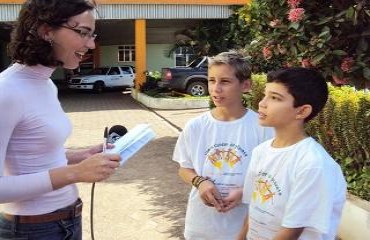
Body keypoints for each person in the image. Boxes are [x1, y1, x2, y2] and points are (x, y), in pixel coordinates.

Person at [0, 1, 121, 239]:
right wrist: (75, 172)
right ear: (46, 31)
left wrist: (79, 156)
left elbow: (31, 152)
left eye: (92, 34)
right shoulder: (6, 91)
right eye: (83, 33)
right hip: (31, 231)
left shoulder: (45, 84)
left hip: (67, 222)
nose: (91, 44)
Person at [172, 51, 274, 240]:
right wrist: (200, 182)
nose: (216, 89)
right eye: (211, 80)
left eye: (225, 82)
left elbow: (274, 176)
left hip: (247, 228)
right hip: (201, 228)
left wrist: (246, 192)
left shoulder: (263, 128)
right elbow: (184, 169)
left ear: (245, 85)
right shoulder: (195, 126)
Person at [237, 67, 347, 240]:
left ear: (302, 111)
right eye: (265, 95)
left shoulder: (313, 164)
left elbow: (291, 233)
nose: (262, 103)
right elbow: (253, 209)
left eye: (274, 98)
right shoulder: (261, 151)